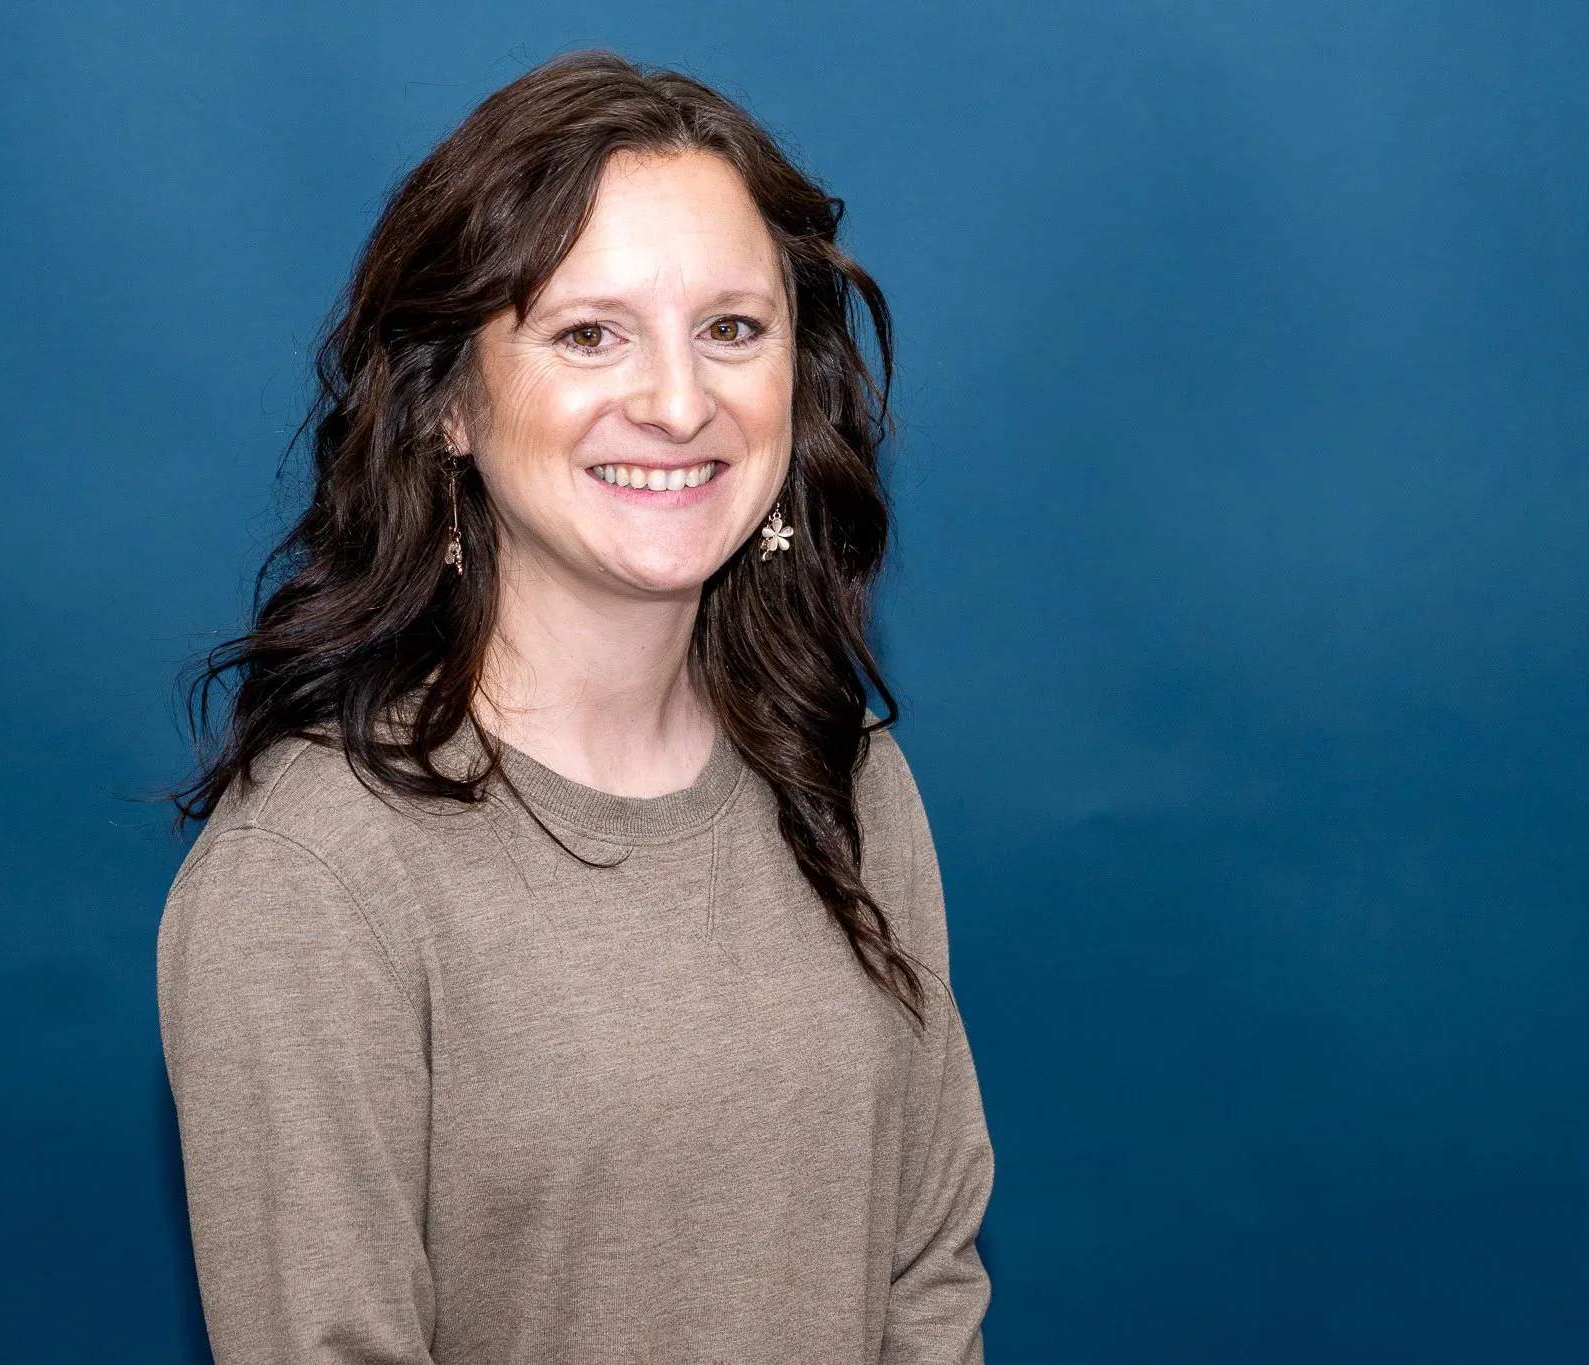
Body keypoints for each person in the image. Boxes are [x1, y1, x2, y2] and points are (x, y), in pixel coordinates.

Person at [157, 49, 993, 1364]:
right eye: (588, 333)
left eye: (733, 328)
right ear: (447, 407)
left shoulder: (846, 779)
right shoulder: (314, 875)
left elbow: (928, 1276)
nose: (676, 402)